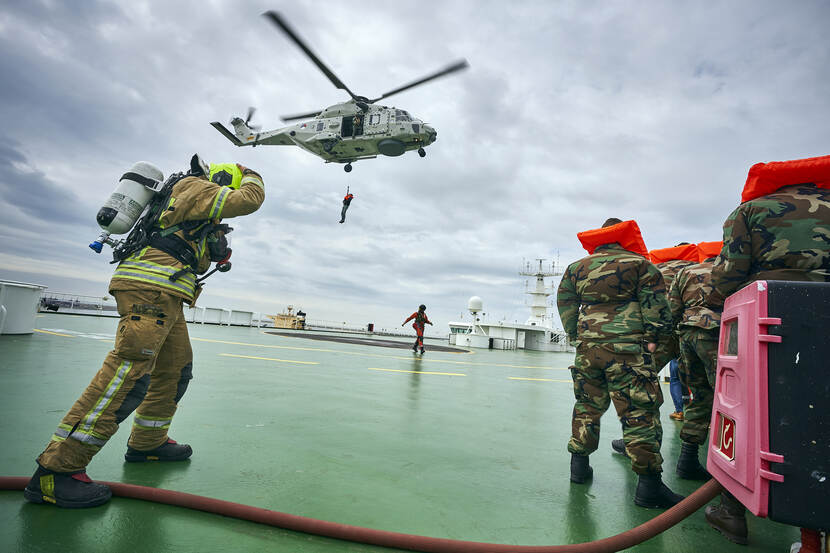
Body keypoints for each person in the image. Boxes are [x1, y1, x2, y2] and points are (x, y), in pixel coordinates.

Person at [24, 155, 266, 508]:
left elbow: (200, 254)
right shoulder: (193, 186)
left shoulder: (185, 198)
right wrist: (251, 174)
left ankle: (147, 443)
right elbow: (249, 200)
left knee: (175, 369)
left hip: (168, 293)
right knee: (127, 374)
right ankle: (56, 472)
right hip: (151, 292)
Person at [706, 155, 830, 545]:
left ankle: (731, 509)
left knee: (752, 409)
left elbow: (729, 273)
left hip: (772, 316)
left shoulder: (751, 211)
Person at [557, 218, 684, 509]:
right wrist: (653, 339)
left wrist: (576, 334)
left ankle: (579, 469)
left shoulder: (577, 268)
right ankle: (649, 487)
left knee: (587, 405)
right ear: (622, 239)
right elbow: (657, 306)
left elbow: (564, 301)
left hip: (589, 350)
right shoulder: (640, 265)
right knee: (639, 411)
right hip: (629, 350)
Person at [668, 241, 724, 481]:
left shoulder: (684, 272)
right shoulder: (730, 270)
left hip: (687, 335)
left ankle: (688, 459)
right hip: (717, 333)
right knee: (728, 396)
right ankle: (728, 463)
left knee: (699, 395)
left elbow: (672, 308)